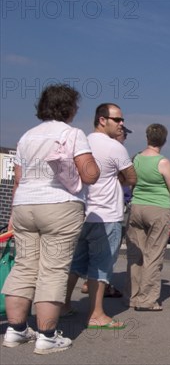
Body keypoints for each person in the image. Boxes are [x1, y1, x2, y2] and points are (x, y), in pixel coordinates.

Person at [1, 84, 100, 354]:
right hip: (59, 205)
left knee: (24, 266)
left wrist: (12, 214)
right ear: (69, 108)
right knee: (53, 269)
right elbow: (90, 174)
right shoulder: (72, 134)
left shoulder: (27, 137)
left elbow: (18, 179)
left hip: (24, 205)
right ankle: (47, 335)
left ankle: (15, 330)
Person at [63, 103, 136, 329]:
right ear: (102, 120)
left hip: (82, 212)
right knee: (101, 267)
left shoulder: (81, 142)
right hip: (106, 214)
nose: (121, 124)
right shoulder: (115, 147)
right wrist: (117, 180)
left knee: (75, 264)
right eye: (118, 119)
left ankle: (63, 304)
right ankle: (96, 314)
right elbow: (132, 177)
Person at [126, 124, 170, 311]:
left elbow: (131, 183)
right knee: (153, 254)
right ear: (164, 141)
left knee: (136, 255)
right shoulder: (163, 162)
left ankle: (133, 297)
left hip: (137, 206)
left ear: (146, 137)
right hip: (158, 208)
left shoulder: (136, 159)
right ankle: (147, 299)